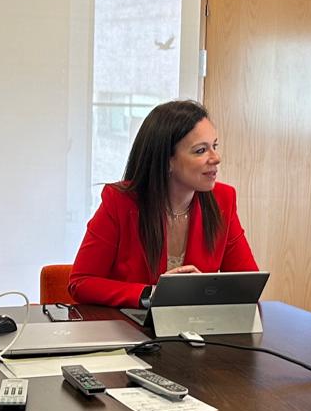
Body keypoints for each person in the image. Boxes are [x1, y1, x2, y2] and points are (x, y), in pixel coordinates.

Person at [69, 99, 257, 308]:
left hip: (195, 329)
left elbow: (247, 284)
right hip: (130, 331)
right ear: (167, 160)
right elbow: (81, 282)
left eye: (214, 146)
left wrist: (202, 290)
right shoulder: (119, 202)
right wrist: (153, 294)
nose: (216, 158)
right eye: (200, 150)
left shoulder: (223, 199)